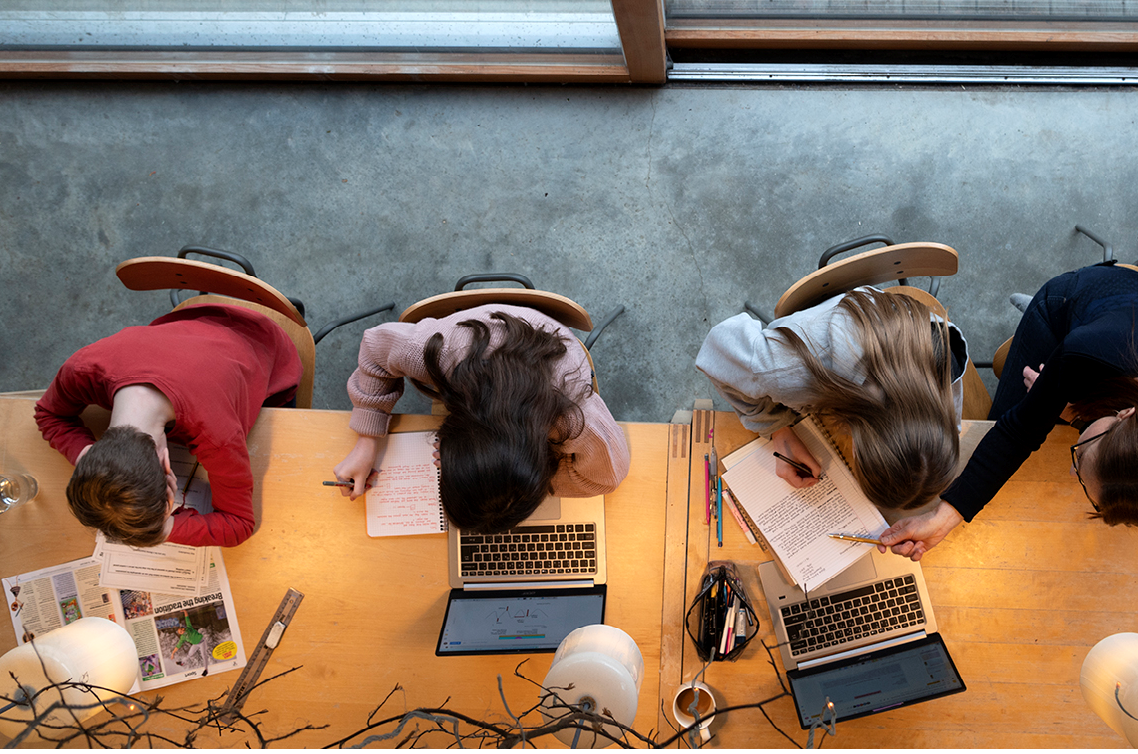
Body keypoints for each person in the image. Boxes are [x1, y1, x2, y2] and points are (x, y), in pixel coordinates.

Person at [881, 262, 1138, 560]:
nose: (1071, 470)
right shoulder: (1088, 351)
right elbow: (1016, 432)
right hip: (1075, 307)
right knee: (1000, 420)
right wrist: (941, 521)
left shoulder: (1119, 412)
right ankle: (1047, 319)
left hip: (1111, 343)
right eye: (1080, 457)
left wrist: (1069, 411)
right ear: (1126, 414)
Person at [333, 304, 631, 534]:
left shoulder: (576, 416)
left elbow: (608, 477)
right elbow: (374, 348)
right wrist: (367, 439)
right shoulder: (439, 352)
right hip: (475, 342)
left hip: (545, 356)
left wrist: (531, 474)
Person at [34, 304, 302, 548]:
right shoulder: (81, 369)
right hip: (191, 319)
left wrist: (161, 529)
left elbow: (239, 525)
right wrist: (83, 453)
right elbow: (47, 413)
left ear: (166, 462)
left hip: (265, 346)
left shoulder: (216, 433)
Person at [696, 288, 969, 512]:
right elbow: (715, 351)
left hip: (881, 313)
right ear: (860, 443)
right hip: (827, 336)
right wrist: (776, 427)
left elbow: (949, 428)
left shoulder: (946, 360)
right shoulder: (783, 374)